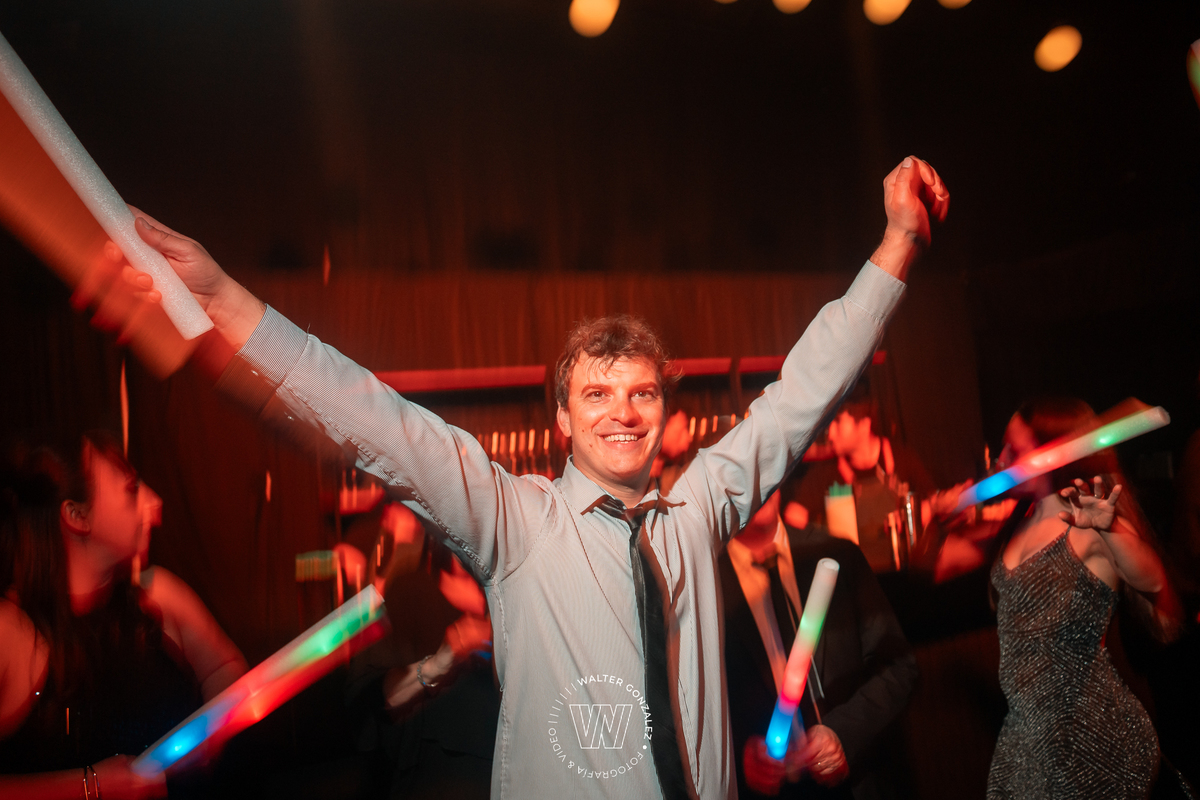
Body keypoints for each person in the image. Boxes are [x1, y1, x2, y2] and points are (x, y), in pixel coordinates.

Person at [115, 155, 947, 798]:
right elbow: (374, 419)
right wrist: (224, 301)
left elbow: (805, 391)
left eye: (642, 393)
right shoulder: (516, 522)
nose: (623, 413)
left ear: (663, 412)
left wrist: (898, 244)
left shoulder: (700, 507)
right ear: (562, 420)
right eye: (597, 394)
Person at [0, 432, 247, 799]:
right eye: (132, 490)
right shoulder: (10, 631)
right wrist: (90, 787)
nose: (154, 502)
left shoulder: (158, 596)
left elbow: (225, 669)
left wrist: (210, 731)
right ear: (77, 516)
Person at [986, 398, 1173, 800]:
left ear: (1049, 454)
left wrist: (1110, 529)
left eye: (1013, 450)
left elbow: (1152, 579)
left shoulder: (1086, 521)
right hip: (1028, 737)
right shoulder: (1020, 520)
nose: (1001, 459)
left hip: (1091, 737)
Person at [722, 491, 917, 799]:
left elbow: (899, 666)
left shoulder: (836, 554)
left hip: (859, 784)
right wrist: (738, 758)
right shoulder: (703, 587)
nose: (758, 482)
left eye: (766, 468)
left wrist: (843, 733)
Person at [793, 381, 962, 572]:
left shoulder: (903, 459)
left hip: (906, 575)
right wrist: (828, 536)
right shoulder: (825, 472)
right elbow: (793, 518)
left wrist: (935, 507)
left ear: (864, 423)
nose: (830, 433)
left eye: (838, 422)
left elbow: (934, 505)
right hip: (858, 578)